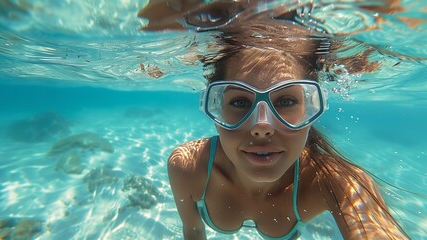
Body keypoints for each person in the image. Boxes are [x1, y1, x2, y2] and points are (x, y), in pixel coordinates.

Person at [138, 2, 410, 239]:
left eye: (286, 101)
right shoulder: (186, 167)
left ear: (312, 107)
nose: (261, 127)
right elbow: (194, 232)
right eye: (240, 102)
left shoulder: (336, 183)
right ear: (215, 108)